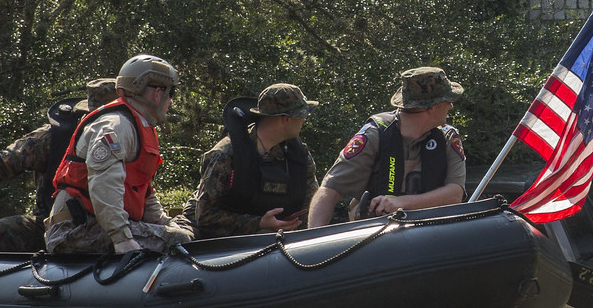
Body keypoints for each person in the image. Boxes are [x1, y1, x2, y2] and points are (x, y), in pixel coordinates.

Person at [0, 77, 117, 252]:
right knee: (4, 229)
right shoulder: (55, 137)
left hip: (114, 224)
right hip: (57, 223)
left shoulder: (133, 137)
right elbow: (7, 159)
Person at [45, 54, 193, 255]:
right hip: (75, 229)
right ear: (157, 93)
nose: (171, 101)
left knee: (182, 232)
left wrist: (164, 222)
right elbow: (103, 184)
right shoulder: (117, 126)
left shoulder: (138, 124)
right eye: (171, 92)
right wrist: (122, 238)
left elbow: (141, 189)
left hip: (95, 224)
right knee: (179, 239)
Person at [308, 67, 467, 227]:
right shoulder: (374, 135)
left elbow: (454, 194)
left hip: (427, 233)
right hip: (373, 235)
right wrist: (313, 243)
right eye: (447, 100)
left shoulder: (447, 137)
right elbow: (329, 190)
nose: (451, 106)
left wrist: (400, 203)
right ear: (432, 107)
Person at [187, 83, 322, 239]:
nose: (304, 119)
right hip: (210, 238)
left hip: (267, 237)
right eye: (302, 114)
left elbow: (312, 205)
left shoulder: (299, 156)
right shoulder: (226, 154)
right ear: (285, 119)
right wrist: (259, 223)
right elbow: (205, 217)